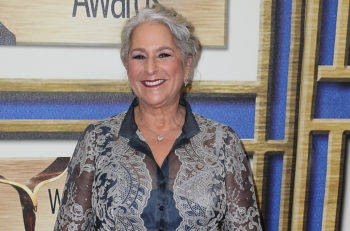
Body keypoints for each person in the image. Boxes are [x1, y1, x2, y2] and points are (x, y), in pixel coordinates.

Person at [54, 4, 262, 231]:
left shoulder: (223, 143)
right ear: (127, 66)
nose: (150, 68)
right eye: (139, 56)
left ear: (186, 65)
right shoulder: (97, 141)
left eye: (163, 55)